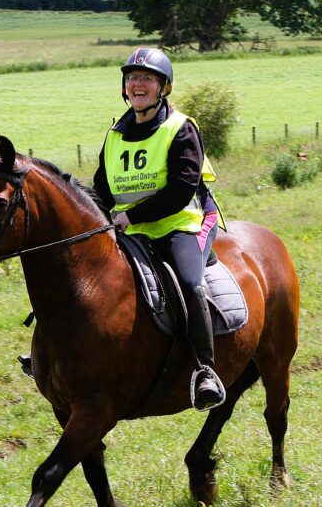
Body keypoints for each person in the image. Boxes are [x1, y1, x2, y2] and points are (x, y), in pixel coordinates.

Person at [92, 47, 227, 412]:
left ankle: (205, 371)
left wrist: (131, 216)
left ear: (163, 87)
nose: (138, 84)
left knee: (189, 281)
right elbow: (102, 188)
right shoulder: (116, 134)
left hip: (184, 223)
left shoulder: (180, 128)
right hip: (131, 230)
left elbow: (182, 188)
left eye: (147, 78)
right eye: (132, 78)